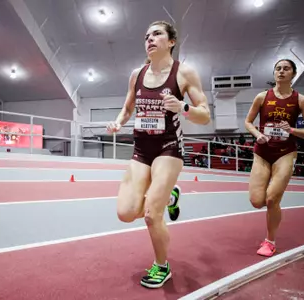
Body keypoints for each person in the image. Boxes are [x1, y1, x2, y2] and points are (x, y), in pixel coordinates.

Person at [106, 20, 210, 288]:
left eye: (157, 34)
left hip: (168, 147)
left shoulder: (184, 73)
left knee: (153, 214)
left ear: (171, 41)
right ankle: (170, 195)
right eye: (146, 36)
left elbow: (205, 116)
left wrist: (183, 107)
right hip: (141, 149)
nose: (149, 39)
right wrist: (119, 122)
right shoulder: (136, 74)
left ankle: (162, 267)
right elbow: (128, 108)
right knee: (126, 213)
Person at [244, 59, 304, 257]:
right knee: (256, 201)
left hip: (285, 152)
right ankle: (270, 226)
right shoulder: (262, 97)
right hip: (262, 151)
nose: (281, 72)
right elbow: (248, 121)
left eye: (286, 69)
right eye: (278, 68)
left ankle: (270, 241)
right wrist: (256, 134)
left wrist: (292, 129)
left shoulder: (301, 100)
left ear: (293, 74)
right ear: (274, 73)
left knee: (271, 199)